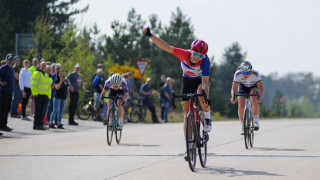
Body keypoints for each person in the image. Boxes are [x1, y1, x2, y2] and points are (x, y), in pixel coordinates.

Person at [143, 27, 212, 160]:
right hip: (186, 81)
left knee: (201, 94)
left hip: (199, 81)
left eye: (201, 56)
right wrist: (150, 35)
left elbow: (204, 83)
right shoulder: (183, 54)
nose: (198, 58)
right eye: (196, 54)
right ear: (191, 51)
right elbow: (165, 46)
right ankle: (189, 147)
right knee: (187, 113)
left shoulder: (205, 63)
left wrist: (206, 97)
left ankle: (207, 117)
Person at [230, 61, 265, 134]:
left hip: (253, 86)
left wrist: (260, 97)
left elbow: (261, 88)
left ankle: (256, 122)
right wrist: (233, 97)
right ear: (241, 71)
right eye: (243, 73)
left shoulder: (256, 74)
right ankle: (242, 126)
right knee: (241, 105)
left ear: (251, 71)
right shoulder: (238, 74)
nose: (245, 75)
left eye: (247, 73)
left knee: (253, 98)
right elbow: (234, 88)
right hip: (243, 86)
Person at [31, 61, 50, 130]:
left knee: (42, 111)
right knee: (38, 111)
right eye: (43, 65)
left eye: (45, 65)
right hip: (38, 95)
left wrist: (48, 95)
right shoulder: (36, 73)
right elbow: (33, 84)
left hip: (44, 95)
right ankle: (36, 126)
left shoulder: (46, 75)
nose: (44, 66)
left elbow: (48, 86)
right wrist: (35, 93)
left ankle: (40, 124)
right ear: (40, 66)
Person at [0, 54, 15, 134]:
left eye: (12, 59)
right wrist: (0, 83)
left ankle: (4, 125)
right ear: (6, 60)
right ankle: (1, 125)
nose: (11, 61)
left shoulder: (12, 69)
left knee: (7, 109)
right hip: (3, 91)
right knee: (2, 109)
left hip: (10, 91)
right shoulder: (3, 68)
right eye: (9, 59)